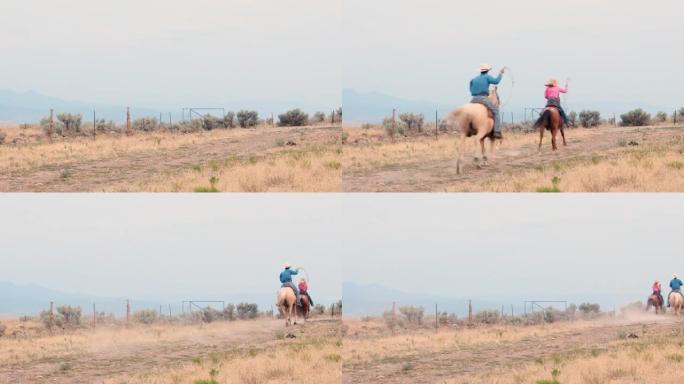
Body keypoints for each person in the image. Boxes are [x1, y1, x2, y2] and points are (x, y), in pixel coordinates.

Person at [469, 64, 505, 139]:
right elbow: (496, 81)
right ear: (487, 71)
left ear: (480, 71)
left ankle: (469, 129)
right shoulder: (487, 77)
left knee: (469, 113)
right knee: (495, 111)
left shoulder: (474, 79)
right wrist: (500, 73)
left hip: (473, 99)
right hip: (483, 98)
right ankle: (497, 132)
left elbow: (470, 87)